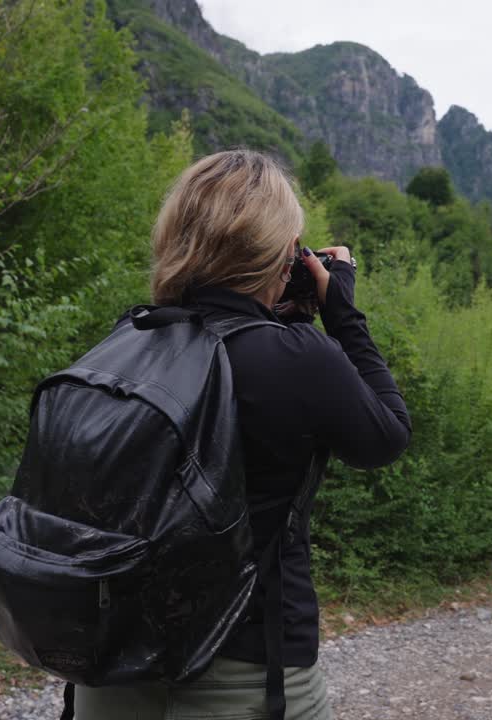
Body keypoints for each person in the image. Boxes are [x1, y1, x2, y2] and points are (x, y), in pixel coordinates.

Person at [73, 150, 412, 719]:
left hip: (108, 671)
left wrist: (287, 318)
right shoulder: (296, 357)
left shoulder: (127, 338)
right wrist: (341, 311)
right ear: (282, 255)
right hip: (243, 676)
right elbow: (387, 435)